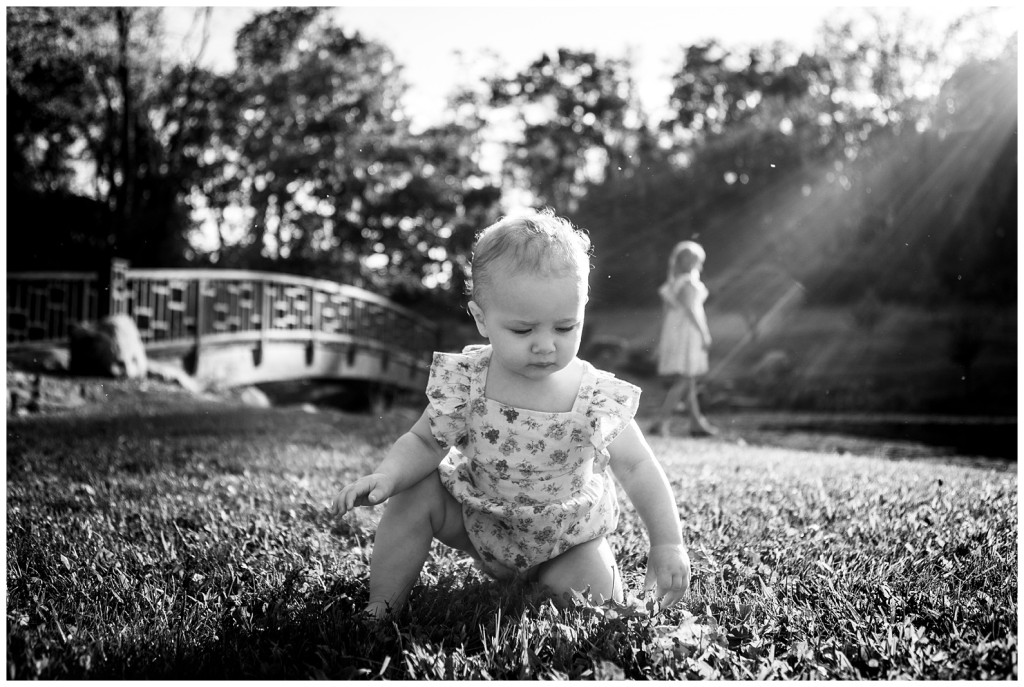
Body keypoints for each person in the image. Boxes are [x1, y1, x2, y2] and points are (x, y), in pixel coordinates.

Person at [333, 208, 691, 619]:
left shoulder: (593, 395)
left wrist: (667, 543)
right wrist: (388, 476)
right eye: (523, 330)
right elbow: (424, 440)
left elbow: (638, 466)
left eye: (564, 327)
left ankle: (559, 581)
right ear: (482, 319)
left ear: (583, 309)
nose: (545, 345)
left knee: (605, 612)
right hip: (477, 521)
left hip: (565, 540)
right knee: (415, 492)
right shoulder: (469, 379)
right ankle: (381, 606)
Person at [651, 240, 717, 437]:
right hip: (688, 334)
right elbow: (691, 310)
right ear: (692, 262)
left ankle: (696, 423)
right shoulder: (687, 283)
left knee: (689, 382)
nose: (701, 266)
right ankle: (661, 421)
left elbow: (666, 315)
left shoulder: (672, 284)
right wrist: (704, 332)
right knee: (685, 379)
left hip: (675, 333)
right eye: (699, 262)